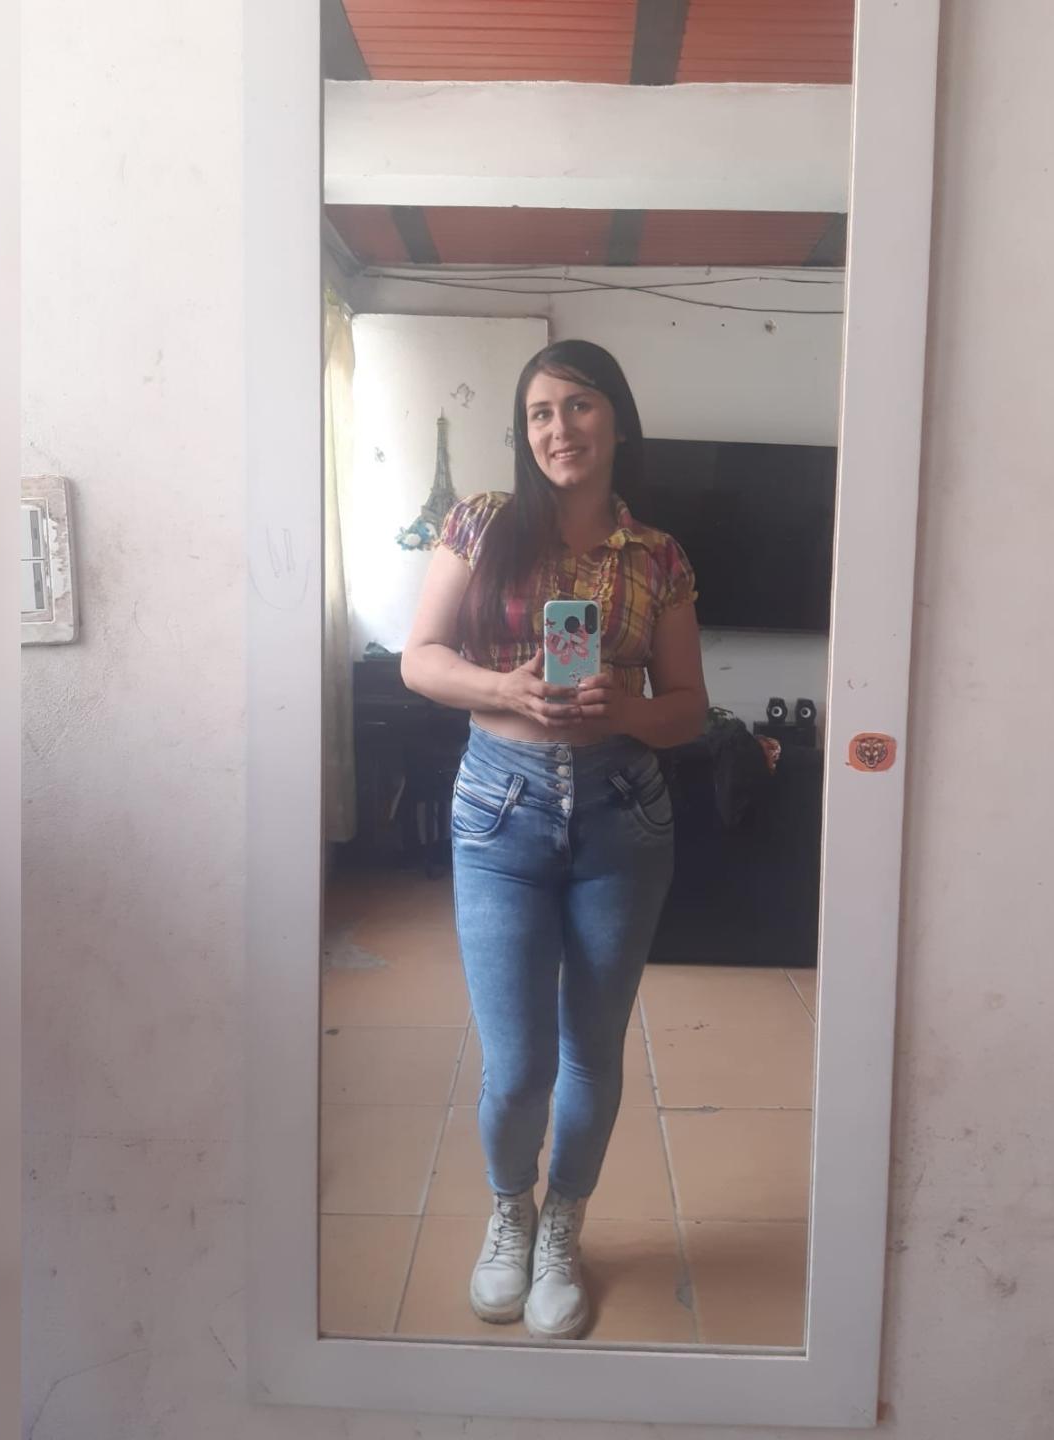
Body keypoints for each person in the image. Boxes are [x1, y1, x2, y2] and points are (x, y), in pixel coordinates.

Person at [401, 339, 707, 1339]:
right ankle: (510, 1212)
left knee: (591, 1050)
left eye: (579, 406)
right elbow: (418, 659)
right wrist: (507, 688)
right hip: (500, 810)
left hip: (624, 815)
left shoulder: (658, 556)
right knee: (518, 1063)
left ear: (615, 420)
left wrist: (627, 707)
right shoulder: (480, 522)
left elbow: (689, 708)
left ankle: (563, 1223)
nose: (559, 428)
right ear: (521, 430)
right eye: (539, 412)